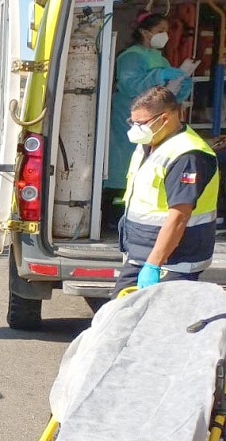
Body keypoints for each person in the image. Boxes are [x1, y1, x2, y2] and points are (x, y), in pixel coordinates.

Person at [112, 86, 218, 296]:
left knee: (159, 325)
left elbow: (178, 217)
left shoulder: (188, 155)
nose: (135, 129)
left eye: (141, 123)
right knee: (119, 318)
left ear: (166, 118)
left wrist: (154, 265)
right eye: (132, 122)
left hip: (172, 263)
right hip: (142, 256)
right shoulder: (150, 144)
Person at [104, 11, 193, 227]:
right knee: (124, 164)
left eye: (166, 31)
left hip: (155, 119)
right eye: (160, 31)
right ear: (145, 32)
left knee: (146, 164)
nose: (165, 35)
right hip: (130, 116)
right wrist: (159, 76)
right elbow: (129, 85)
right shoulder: (131, 56)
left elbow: (163, 93)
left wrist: (181, 88)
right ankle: (113, 215)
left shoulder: (159, 58)